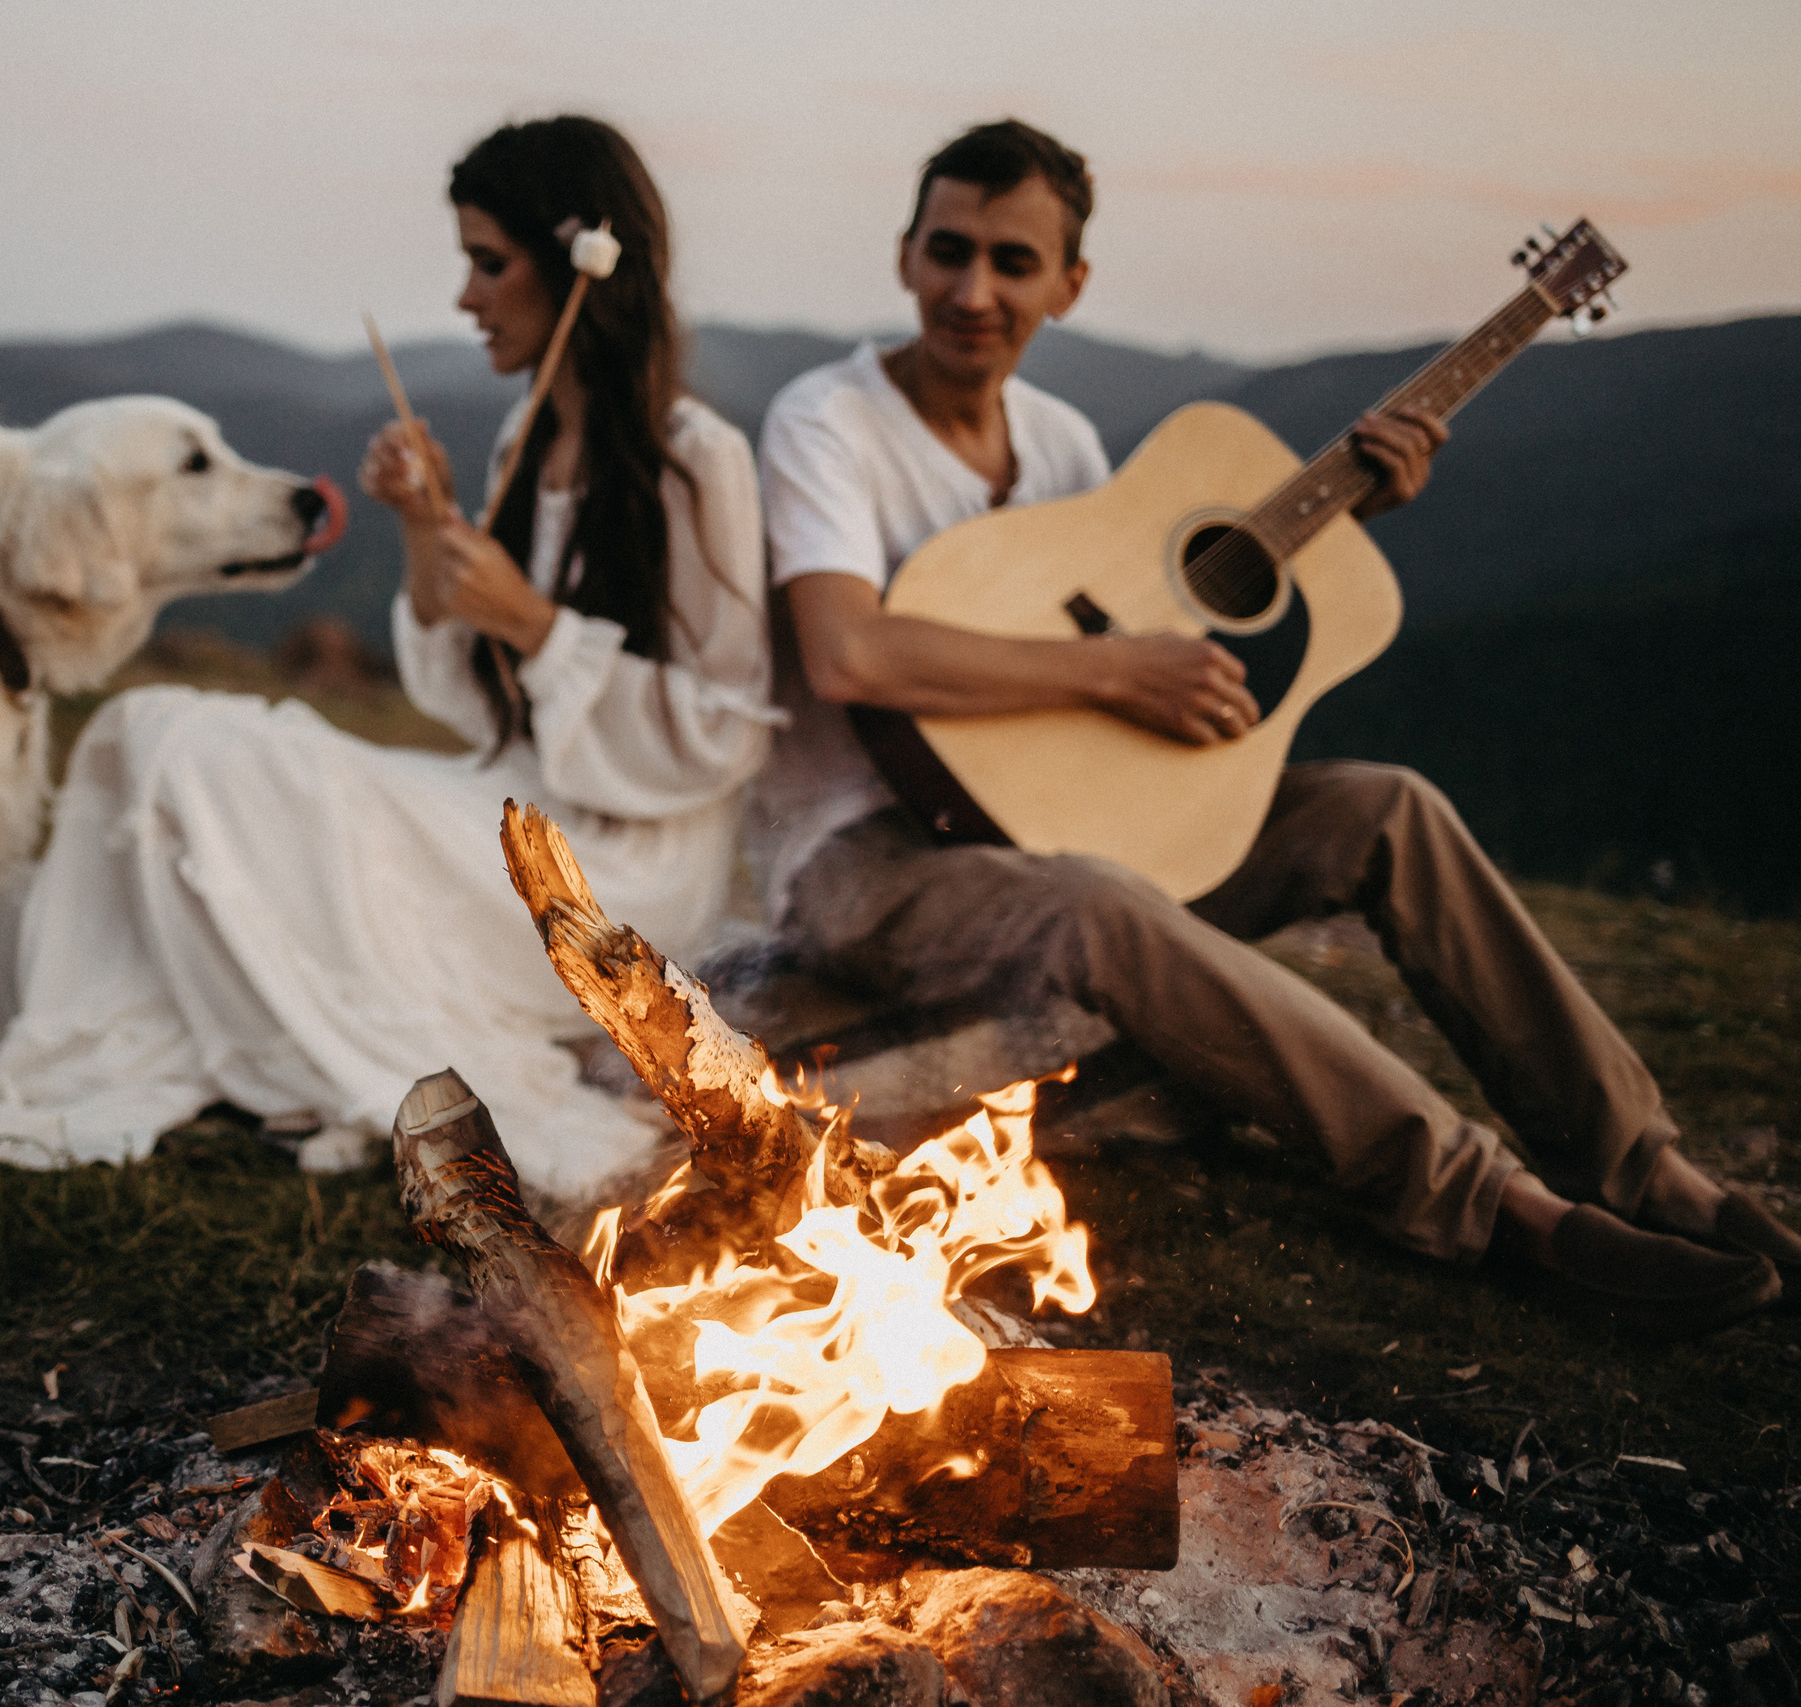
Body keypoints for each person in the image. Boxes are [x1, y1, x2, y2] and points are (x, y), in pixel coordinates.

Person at [747, 118, 1799, 1332]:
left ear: (1068, 285)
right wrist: (1113, 671)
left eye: (1012, 262)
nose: (972, 290)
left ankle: (1646, 1171)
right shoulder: (826, 422)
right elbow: (850, 650)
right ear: (905, 256)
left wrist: (1341, 520)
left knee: (1383, 807)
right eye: (949, 251)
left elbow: (1132, 648)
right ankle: (1502, 1213)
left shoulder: (1060, 442)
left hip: (1051, 835)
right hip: (866, 864)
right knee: (1099, 901)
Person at [0, 115, 778, 1199]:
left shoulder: (695, 459)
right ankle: (134, 1001)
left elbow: (723, 731)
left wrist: (535, 623)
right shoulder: (526, 438)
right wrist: (427, 530)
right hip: (512, 795)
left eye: (488, 263)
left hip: (619, 869)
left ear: (583, 268)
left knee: (203, 760)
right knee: (144, 728)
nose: (466, 297)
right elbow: (472, 695)